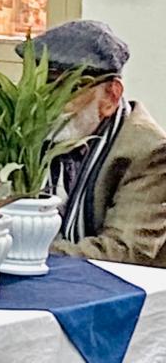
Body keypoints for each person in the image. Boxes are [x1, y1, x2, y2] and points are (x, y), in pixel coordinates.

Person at [17, 19, 166, 267]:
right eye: (38, 86)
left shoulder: (149, 151)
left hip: (110, 285)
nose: (44, 103)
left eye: (66, 89)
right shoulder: (20, 135)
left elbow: (123, 251)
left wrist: (22, 252)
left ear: (111, 96)